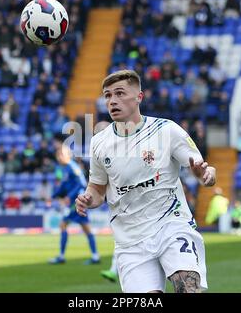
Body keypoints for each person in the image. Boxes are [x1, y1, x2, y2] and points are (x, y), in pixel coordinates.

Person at [75, 70, 216, 293]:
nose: (112, 101)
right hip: (130, 241)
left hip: (171, 225)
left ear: (139, 97)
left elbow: (202, 169)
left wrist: (205, 175)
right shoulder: (99, 142)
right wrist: (88, 198)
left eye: (120, 93)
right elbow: (98, 188)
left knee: (189, 289)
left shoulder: (166, 130)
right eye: (108, 95)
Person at [48, 145, 100, 265]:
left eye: (62, 154)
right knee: (85, 228)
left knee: (64, 225)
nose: (59, 157)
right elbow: (63, 186)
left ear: (68, 155)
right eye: (58, 154)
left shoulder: (72, 167)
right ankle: (95, 256)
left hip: (77, 202)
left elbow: (81, 183)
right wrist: (53, 196)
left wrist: (69, 197)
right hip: (74, 202)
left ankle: (62, 257)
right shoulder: (64, 169)